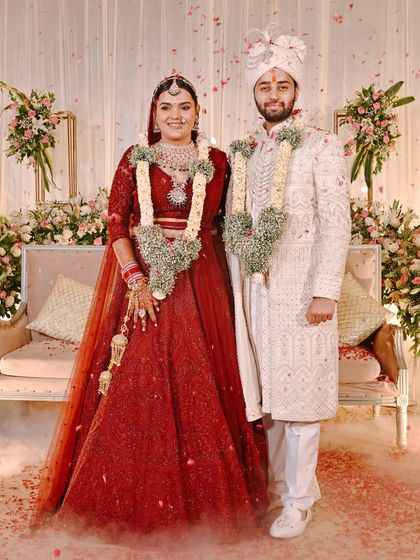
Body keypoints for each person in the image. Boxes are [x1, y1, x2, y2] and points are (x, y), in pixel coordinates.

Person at [31, 75, 268, 541]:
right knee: (140, 378)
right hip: (145, 281)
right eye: (166, 107)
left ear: (198, 113)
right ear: (154, 114)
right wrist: (136, 280)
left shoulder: (220, 162)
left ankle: (205, 506)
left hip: (203, 280)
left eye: (184, 107)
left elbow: (233, 223)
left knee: (204, 376)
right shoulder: (134, 157)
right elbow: (116, 223)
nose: (175, 115)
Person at [226, 31, 351, 538]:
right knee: (272, 401)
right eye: (265, 86)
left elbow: (337, 222)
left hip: (303, 293)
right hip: (258, 293)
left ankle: (299, 502)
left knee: (301, 400)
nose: (274, 94)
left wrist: (326, 290)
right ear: (254, 93)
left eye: (282, 85)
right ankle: (280, 490)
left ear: (296, 90)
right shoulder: (246, 150)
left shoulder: (321, 144)